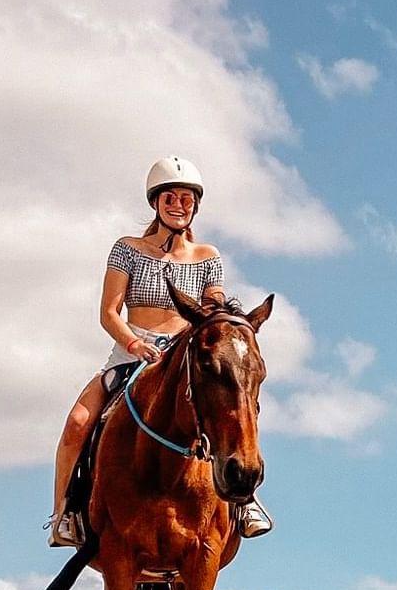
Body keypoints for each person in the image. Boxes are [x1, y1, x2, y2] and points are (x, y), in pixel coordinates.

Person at [48, 156, 273, 547]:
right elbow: (108, 312)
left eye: (186, 198)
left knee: (227, 405)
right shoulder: (128, 248)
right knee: (78, 422)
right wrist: (135, 343)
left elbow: (213, 309)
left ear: (195, 205)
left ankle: (245, 501)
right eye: (170, 197)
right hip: (132, 351)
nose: (178, 204)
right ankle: (65, 514)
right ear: (156, 202)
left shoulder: (208, 256)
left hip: (184, 355)